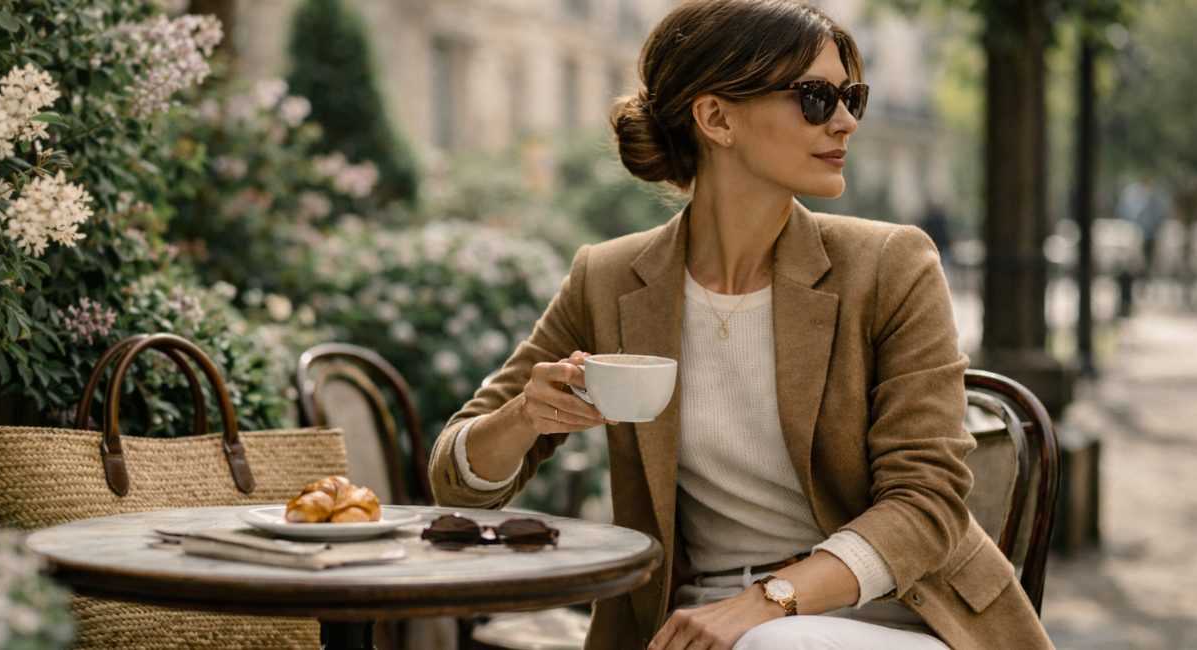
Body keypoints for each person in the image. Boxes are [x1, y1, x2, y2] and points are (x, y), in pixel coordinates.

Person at [428, 1, 1051, 648]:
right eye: (815, 98)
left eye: (851, 97)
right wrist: (525, 417)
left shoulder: (891, 265)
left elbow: (927, 506)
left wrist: (767, 603)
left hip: (900, 612)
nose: (843, 122)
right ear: (717, 118)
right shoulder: (611, 279)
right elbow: (454, 479)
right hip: (697, 624)